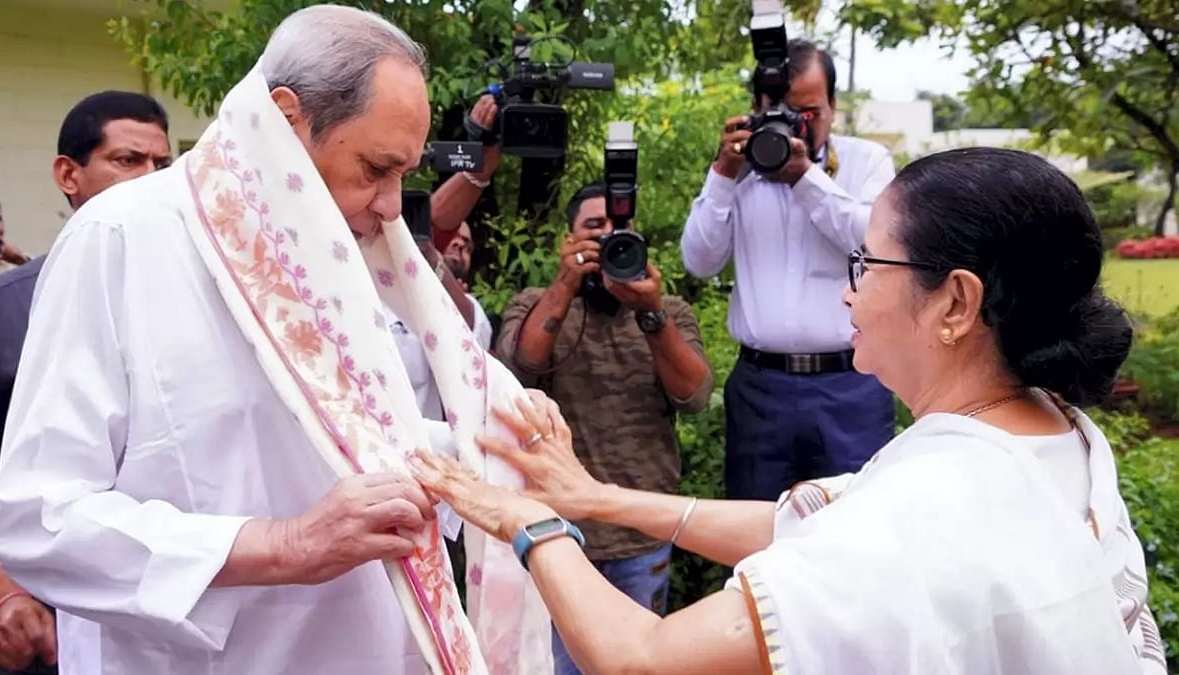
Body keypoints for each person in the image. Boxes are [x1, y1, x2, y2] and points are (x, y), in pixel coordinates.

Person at [412, 147, 1166, 674]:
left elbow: (643, 657)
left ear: (958, 303)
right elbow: (817, 522)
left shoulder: (934, 504)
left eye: (866, 264)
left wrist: (531, 522)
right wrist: (593, 497)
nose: (847, 290)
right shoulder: (1048, 431)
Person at [0, 7, 532, 674]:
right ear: (287, 120)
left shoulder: (336, 254)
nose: (394, 206)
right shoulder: (122, 238)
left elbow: (358, 437)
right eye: (375, 168)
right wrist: (283, 545)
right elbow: (38, 518)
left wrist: (494, 441)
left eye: (403, 175)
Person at [0, 90, 171, 675]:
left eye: (163, 166)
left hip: (166, 614)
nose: (150, 180)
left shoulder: (204, 305)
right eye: (128, 161)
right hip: (41, 621)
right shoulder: (2, 310)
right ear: (69, 174)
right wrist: (2, 594)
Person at [496, 183, 713, 674]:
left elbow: (694, 395)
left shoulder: (669, 312)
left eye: (620, 229)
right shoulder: (535, 302)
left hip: (641, 529)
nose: (608, 238)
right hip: (555, 533)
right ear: (568, 240)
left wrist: (650, 311)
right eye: (594, 228)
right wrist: (564, 286)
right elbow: (517, 369)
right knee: (557, 665)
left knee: (638, 664)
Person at [681, 40, 895, 503]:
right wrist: (722, 173)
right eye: (783, 111)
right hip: (762, 387)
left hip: (851, 380)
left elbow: (873, 241)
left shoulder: (865, 162)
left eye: (811, 112)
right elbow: (699, 261)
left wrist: (804, 178)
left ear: (833, 106)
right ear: (757, 108)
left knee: (859, 521)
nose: (798, 124)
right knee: (755, 525)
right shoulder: (737, 172)